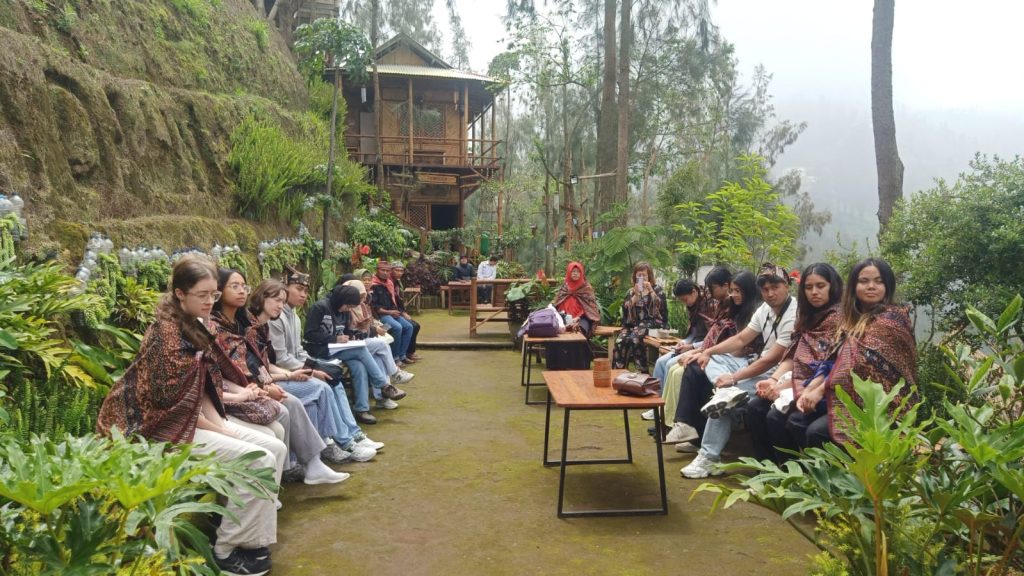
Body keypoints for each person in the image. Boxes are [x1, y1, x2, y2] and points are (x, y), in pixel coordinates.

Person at [96, 255, 284, 576]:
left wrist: (223, 425)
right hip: (156, 432)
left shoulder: (197, 325)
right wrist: (223, 431)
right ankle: (226, 550)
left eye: (213, 294)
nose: (210, 301)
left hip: (190, 423)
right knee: (258, 459)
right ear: (180, 294)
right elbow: (173, 408)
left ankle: (247, 533)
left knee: (274, 447)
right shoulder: (166, 337)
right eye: (202, 295)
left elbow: (204, 387)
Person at [212, 268, 349, 486]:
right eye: (234, 286)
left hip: (255, 385)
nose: (241, 291)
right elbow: (231, 372)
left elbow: (260, 366)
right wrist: (271, 384)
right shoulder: (217, 327)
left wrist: (287, 376)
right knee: (297, 400)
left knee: (321, 387)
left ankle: (328, 449)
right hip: (236, 392)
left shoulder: (245, 323)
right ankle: (321, 452)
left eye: (243, 286)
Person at [679, 263, 797, 479]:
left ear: (787, 286)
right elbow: (742, 338)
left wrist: (734, 378)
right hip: (757, 367)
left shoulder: (793, 313)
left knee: (726, 403)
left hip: (778, 375)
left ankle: (708, 458)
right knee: (712, 361)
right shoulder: (765, 309)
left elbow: (772, 358)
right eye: (765, 289)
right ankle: (726, 392)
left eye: (775, 287)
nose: (770, 294)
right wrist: (708, 351)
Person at [251, 277, 380, 463]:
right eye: (298, 289)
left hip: (289, 368)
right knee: (323, 385)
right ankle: (343, 441)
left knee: (334, 377)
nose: (303, 295)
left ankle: (350, 435)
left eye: (305, 291)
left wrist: (311, 365)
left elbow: (297, 351)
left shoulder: (292, 317)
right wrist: (309, 370)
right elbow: (281, 358)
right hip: (279, 373)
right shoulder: (271, 321)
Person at [794, 258, 917, 447]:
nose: (871, 286)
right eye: (864, 281)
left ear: (888, 286)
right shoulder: (851, 320)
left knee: (816, 432)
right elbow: (833, 361)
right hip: (848, 396)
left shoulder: (891, 320)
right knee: (796, 421)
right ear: (854, 286)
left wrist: (819, 391)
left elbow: (856, 366)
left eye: (879, 281)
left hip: (882, 406)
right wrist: (810, 389)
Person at [746, 263, 843, 463]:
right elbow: (794, 356)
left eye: (820, 286)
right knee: (755, 408)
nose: (814, 292)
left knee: (778, 417)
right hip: (798, 383)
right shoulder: (807, 318)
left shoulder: (841, 319)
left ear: (832, 286)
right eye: (808, 287)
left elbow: (831, 366)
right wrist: (773, 381)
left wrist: (783, 387)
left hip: (827, 389)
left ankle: (794, 473)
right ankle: (768, 469)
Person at [661, 271, 760, 449]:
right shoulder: (734, 309)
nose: (733, 294)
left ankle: (693, 433)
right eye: (732, 290)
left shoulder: (757, 311)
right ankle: (687, 428)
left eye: (737, 291)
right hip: (730, 357)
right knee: (695, 366)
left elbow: (741, 344)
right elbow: (731, 340)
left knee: (699, 372)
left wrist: (705, 351)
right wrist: (705, 352)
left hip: (748, 362)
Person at [306, 283, 406, 424]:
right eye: (347, 306)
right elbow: (309, 334)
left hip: (339, 350)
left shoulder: (345, 312)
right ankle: (383, 385)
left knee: (359, 366)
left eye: (350, 307)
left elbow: (347, 332)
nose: (348, 309)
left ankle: (362, 410)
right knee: (361, 350)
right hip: (320, 350)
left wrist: (359, 332)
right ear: (341, 299)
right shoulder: (320, 307)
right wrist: (334, 339)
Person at [342, 277, 415, 398]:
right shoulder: (346, 309)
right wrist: (372, 330)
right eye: (359, 296)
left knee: (379, 358)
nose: (361, 300)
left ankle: (382, 398)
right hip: (352, 344)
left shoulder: (363, 305)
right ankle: (395, 372)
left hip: (362, 339)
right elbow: (350, 332)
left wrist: (373, 327)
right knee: (382, 344)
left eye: (363, 296)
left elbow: (369, 322)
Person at [613, 261, 668, 373]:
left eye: (644, 275)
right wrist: (635, 296)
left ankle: (642, 371)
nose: (642, 278)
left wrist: (651, 291)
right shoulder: (631, 291)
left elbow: (661, 308)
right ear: (635, 276)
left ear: (649, 276)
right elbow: (625, 311)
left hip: (654, 322)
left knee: (635, 338)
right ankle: (618, 372)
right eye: (639, 275)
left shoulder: (657, 289)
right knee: (620, 341)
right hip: (634, 325)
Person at [370, 261, 416, 365]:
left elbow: (394, 301)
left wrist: (399, 312)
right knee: (397, 327)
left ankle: (402, 355)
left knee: (409, 326)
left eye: (387, 271)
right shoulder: (373, 285)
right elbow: (375, 307)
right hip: (381, 316)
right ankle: (395, 358)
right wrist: (390, 312)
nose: (385, 273)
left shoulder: (389, 283)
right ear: (377, 270)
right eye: (383, 270)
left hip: (391, 313)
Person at [552, 261, 601, 337]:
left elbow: (590, 308)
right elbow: (557, 304)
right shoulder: (564, 287)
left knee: (580, 331)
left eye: (578, 272)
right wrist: (564, 317)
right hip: (564, 317)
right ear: (569, 272)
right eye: (573, 271)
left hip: (582, 318)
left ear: (581, 273)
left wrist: (578, 318)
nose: (575, 273)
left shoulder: (586, 288)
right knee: (555, 329)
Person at [388, 262, 422, 362]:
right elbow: (391, 301)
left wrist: (403, 312)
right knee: (411, 326)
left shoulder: (397, 282)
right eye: (397, 270)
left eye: (401, 271)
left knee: (415, 325)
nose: (399, 273)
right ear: (391, 270)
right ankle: (401, 354)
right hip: (390, 311)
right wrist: (402, 313)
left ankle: (409, 352)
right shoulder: (389, 282)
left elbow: (399, 300)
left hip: (398, 311)